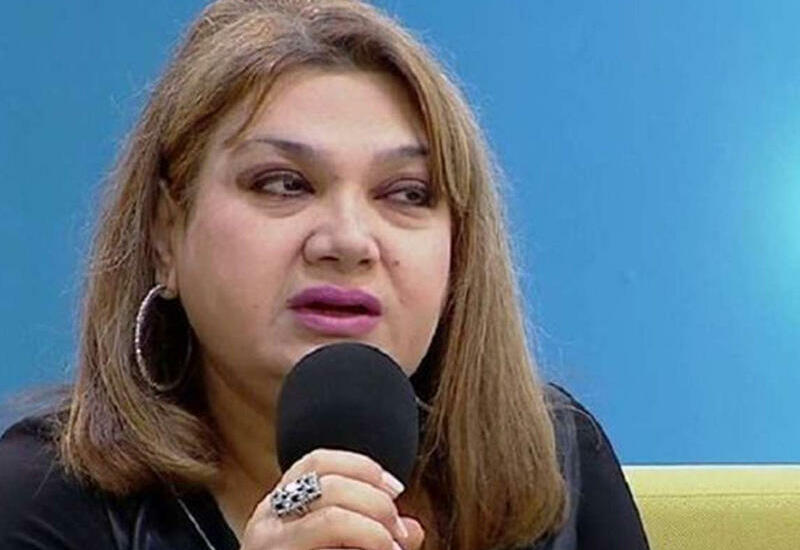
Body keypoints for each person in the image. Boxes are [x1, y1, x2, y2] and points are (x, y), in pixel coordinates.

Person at [0, 1, 649, 549]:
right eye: (282, 183)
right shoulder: (41, 500)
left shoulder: (554, 464)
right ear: (166, 235)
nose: (347, 241)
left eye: (406, 193)